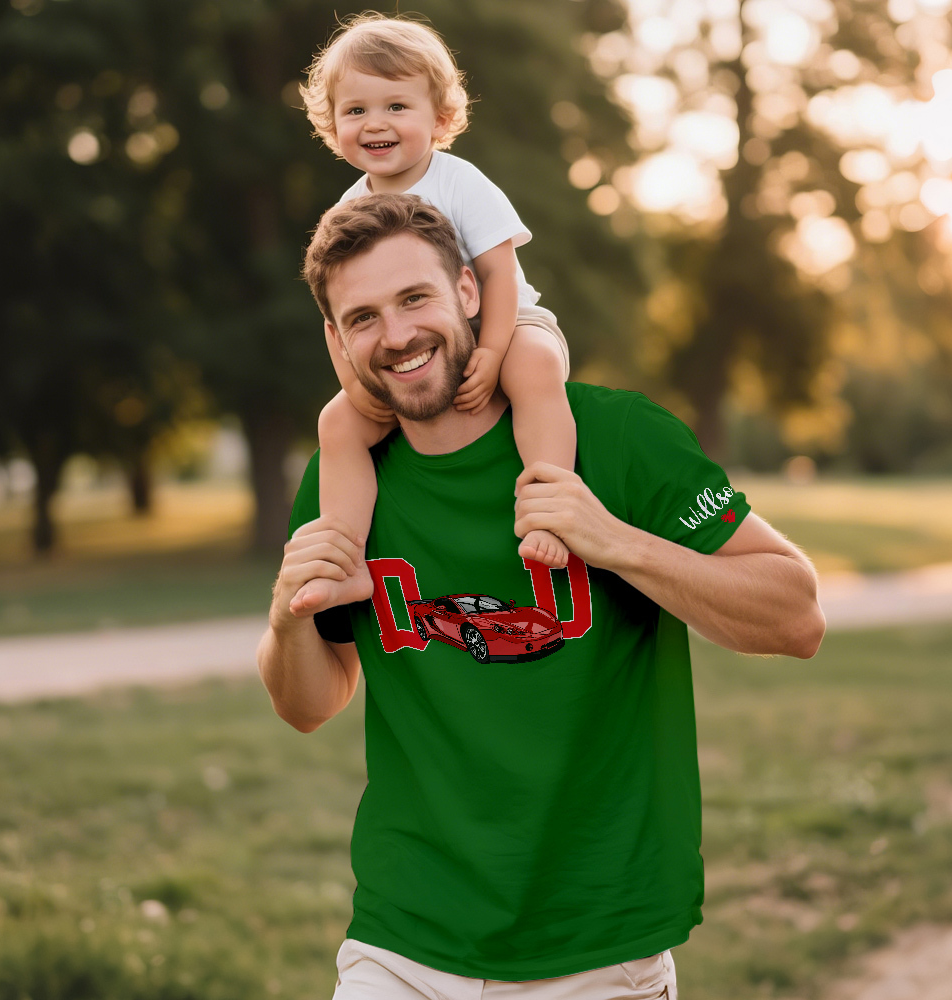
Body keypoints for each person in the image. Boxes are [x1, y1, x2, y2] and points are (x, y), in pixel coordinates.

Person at [257, 194, 826, 999]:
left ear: (467, 292)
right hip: (404, 938)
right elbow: (309, 703)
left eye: (414, 298)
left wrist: (615, 541)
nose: (395, 337)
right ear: (334, 339)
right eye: (362, 317)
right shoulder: (344, 483)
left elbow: (797, 615)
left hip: (597, 945)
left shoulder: (618, 438)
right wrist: (289, 618)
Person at [295, 12, 575, 618]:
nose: (375, 123)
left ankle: (552, 508)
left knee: (533, 369)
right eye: (356, 110)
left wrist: (492, 351)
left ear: (440, 119)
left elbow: (497, 275)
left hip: (506, 323)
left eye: (397, 106)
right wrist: (354, 383)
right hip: (413, 354)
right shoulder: (348, 210)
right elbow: (335, 312)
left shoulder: (461, 183)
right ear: (332, 124)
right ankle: (343, 557)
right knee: (338, 424)